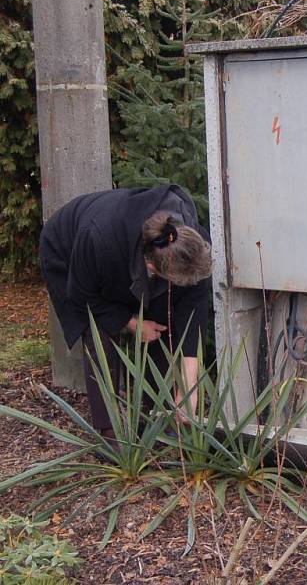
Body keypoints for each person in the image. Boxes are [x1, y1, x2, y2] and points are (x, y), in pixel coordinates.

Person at [39, 183, 212, 443]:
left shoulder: (190, 242)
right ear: (151, 266)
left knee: (163, 316)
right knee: (99, 331)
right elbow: (83, 297)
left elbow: (193, 311)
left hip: (125, 251)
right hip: (68, 251)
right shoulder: (97, 238)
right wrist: (130, 322)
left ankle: (160, 410)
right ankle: (110, 432)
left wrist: (190, 390)